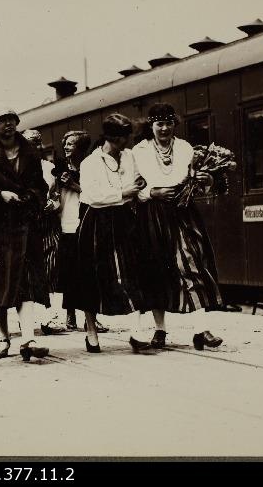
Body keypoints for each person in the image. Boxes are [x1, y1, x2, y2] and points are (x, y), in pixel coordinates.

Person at [132, 103, 224, 350]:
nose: (164, 128)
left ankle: (200, 329)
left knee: (191, 264)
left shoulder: (185, 148)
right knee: (155, 270)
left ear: (175, 124)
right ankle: (160, 330)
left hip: (182, 212)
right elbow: (134, 186)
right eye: (159, 123)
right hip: (152, 214)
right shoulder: (139, 151)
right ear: (150, 125)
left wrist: (206, 180)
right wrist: (152, 192)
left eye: (169, 123)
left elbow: (197, 181)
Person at [66, 114, 151, 353]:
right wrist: (125, 192)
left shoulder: (129, 156)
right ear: (113, 138)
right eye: (123, 138)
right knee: (92, 277)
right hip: (96, 222)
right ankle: (91, 333)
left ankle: (136, 331)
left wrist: (141, 190)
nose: (126, 143)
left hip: (123, 219)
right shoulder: (90, 163)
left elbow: (137, 185)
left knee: (132, 272)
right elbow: (94, 197)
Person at [0, 108, 50, 362]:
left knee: (25, 280)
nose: (8, 125)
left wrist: (31, 197)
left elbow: (41, 185)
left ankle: (28, 338)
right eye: (3, 121)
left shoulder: (29, 151)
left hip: (25, 223)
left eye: (12, 121)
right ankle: (4, 338)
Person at [46, 130, 92, 333]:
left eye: (71, 144)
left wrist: (73, 184)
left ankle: (90, 317)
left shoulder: (90, 167)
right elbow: (54, 195)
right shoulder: (59, 167)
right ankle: (70, 314)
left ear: (81, 147)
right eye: (65, 143)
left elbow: (94, 193)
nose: (66, 147)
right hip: (66, 222)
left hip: (87, 221)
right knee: (70, 271)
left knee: (88, 271)